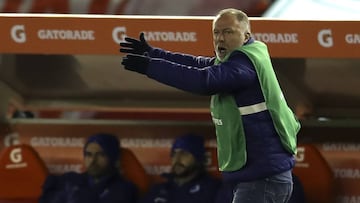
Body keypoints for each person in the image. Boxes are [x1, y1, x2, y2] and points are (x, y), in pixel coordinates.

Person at [120, 8, 300, 203]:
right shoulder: (245, 56)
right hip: (262, 176)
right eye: (216, 32)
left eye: (228, 32)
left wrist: (150, 66)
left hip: (262, 179)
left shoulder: (244, 65)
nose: (220, 39)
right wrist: (154, 54)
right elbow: (201, 64)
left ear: (246, 35)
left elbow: (203, 80)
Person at [39, 133, 138, 203]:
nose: (93, 160)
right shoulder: (69, 181)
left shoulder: (125, 190)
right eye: (88, 155)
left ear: (114, 159)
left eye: (101, 155)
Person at [139, 133, 221, 203]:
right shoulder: (158, 189)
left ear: (198, 158)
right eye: (174, 153)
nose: (177, 158)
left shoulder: (213, 189)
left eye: (184, 153)